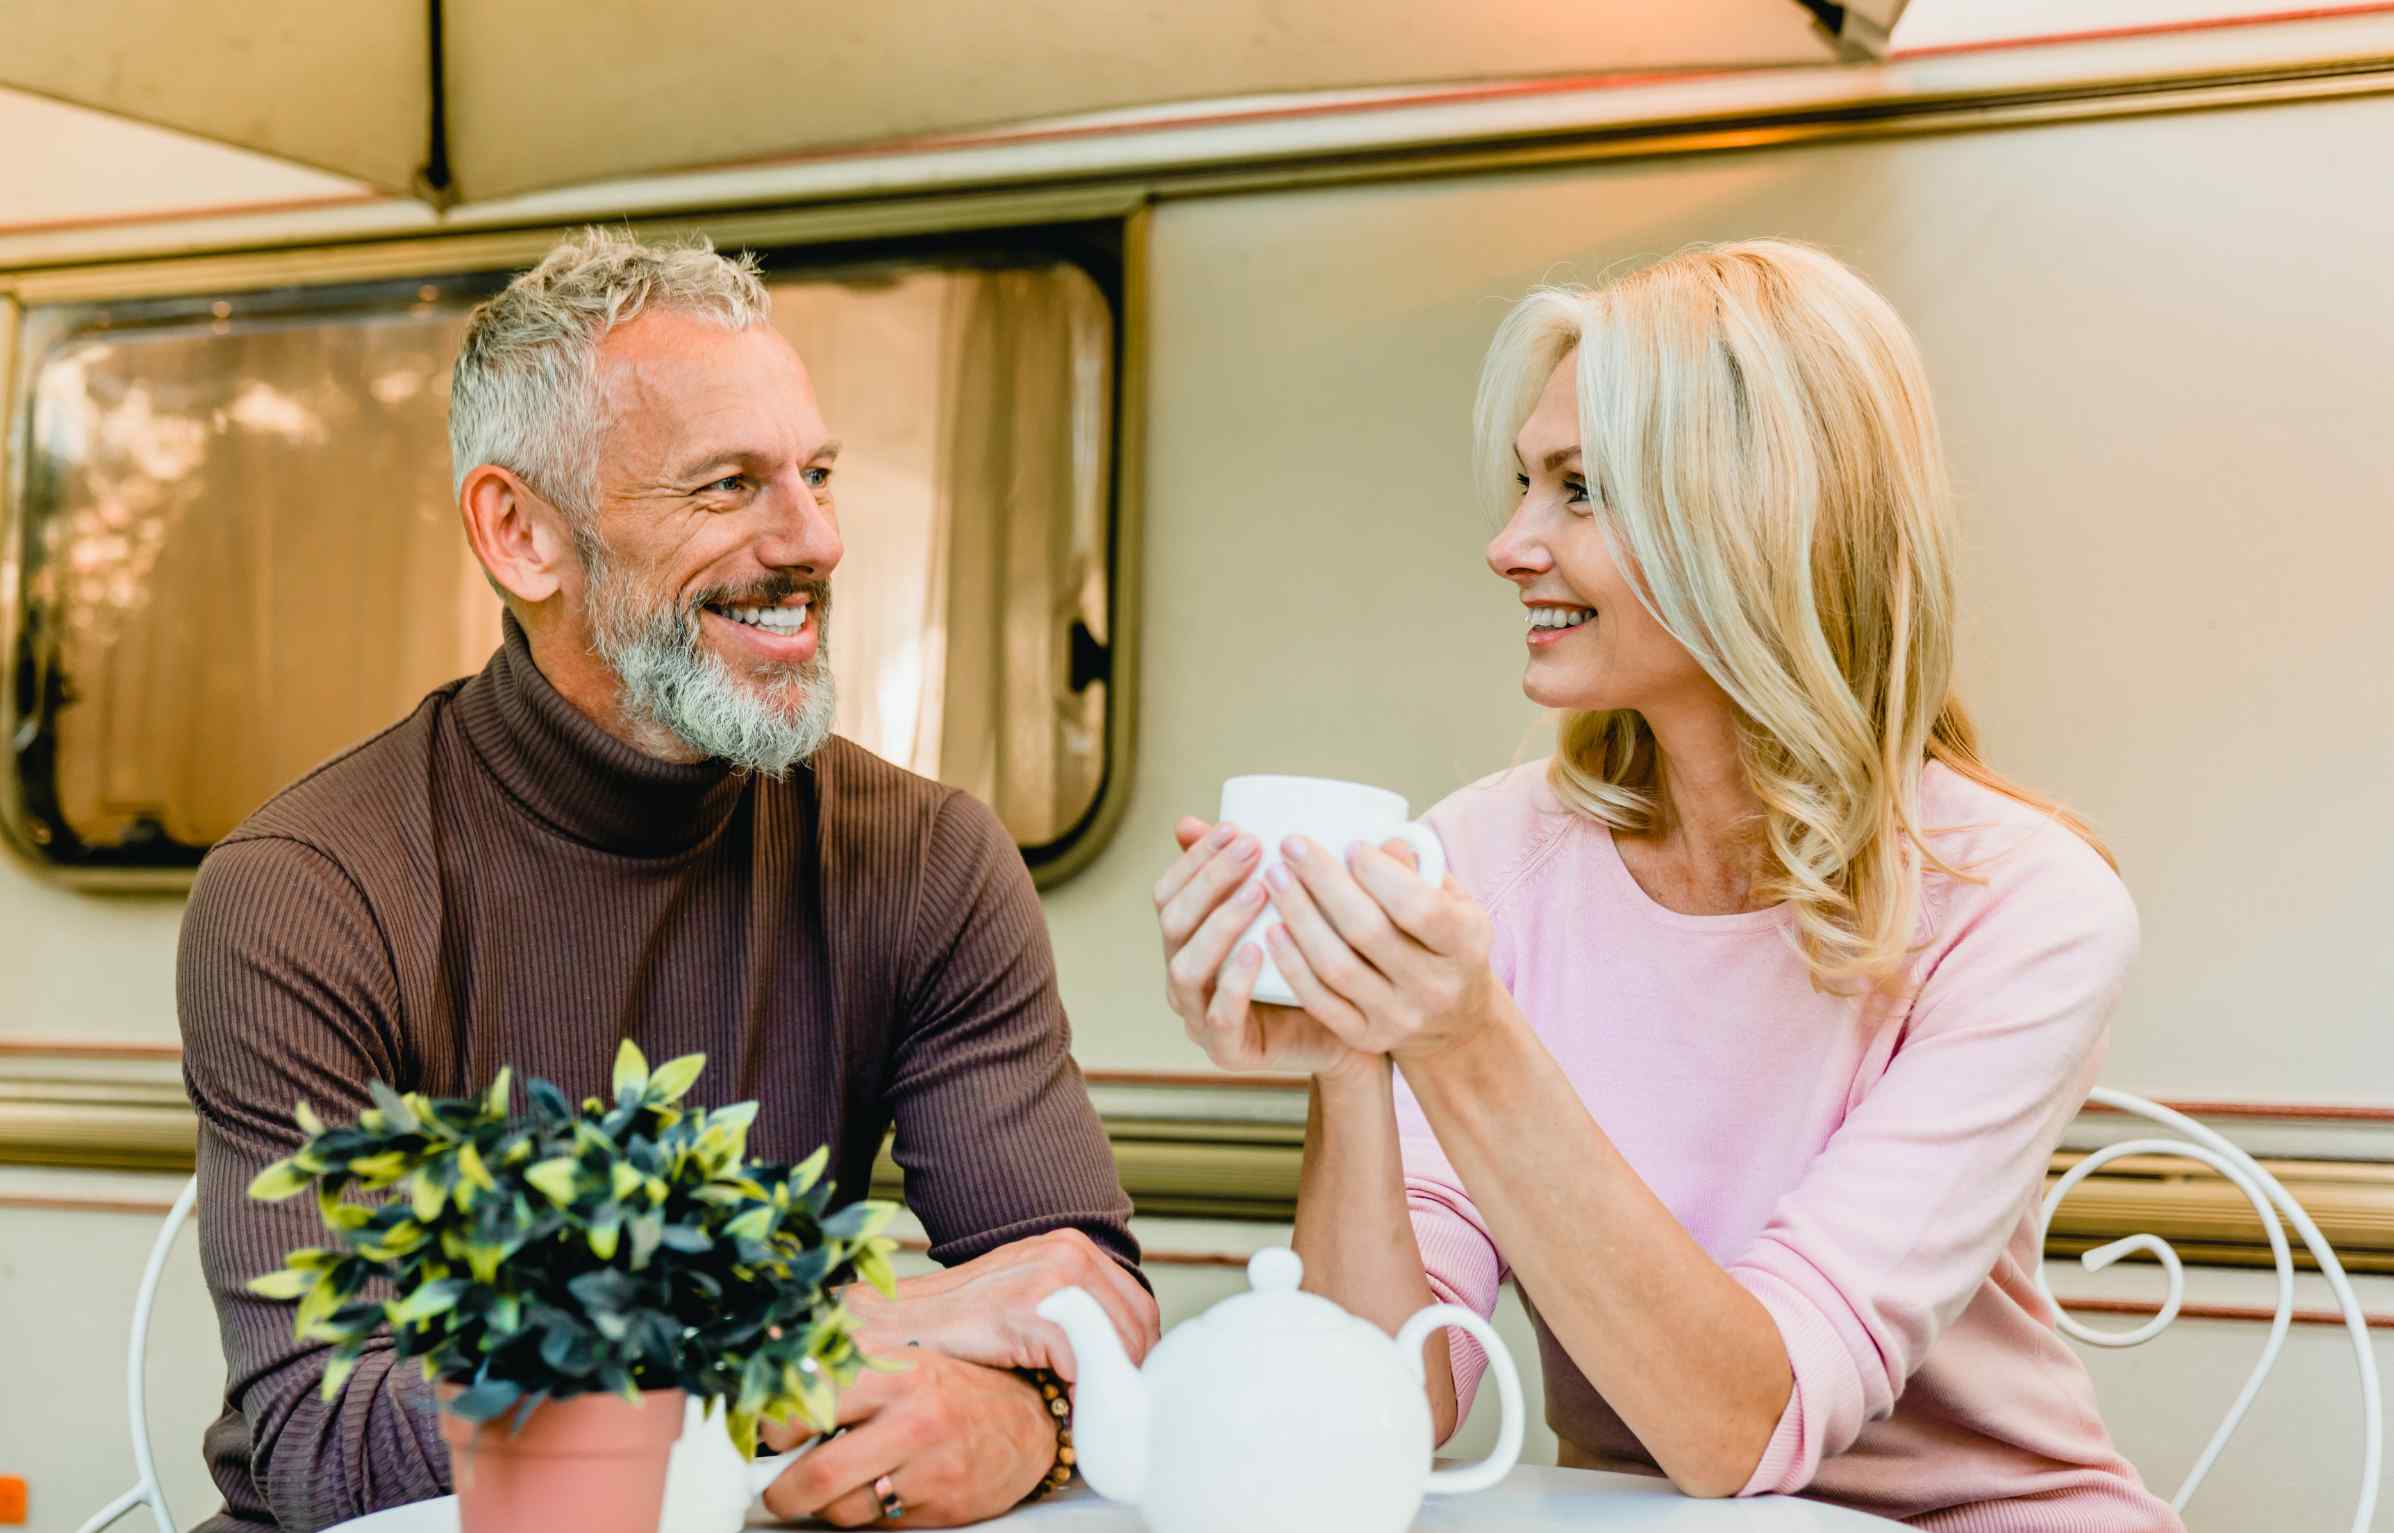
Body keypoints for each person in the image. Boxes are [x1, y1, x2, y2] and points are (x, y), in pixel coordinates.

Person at [1151, 240, 2182, 1530]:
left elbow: (1743, 1427)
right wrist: (1353, 1061)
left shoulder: (2028, 906)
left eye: (1579, 492)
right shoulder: (1486, 858)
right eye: (1525, 482)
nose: (1508, 544)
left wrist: (1462, 1040)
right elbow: (1380, 1411)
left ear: (1752, 521)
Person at [180, 228, 1157, 1533]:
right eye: (726, 486)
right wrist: (807, 1329)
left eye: (816, 473)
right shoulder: (306, 892)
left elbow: (1082, 1298)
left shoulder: (923, 858)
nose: (812, 538)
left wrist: (1030, 1421)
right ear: (520, 531)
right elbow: (327, 1437)